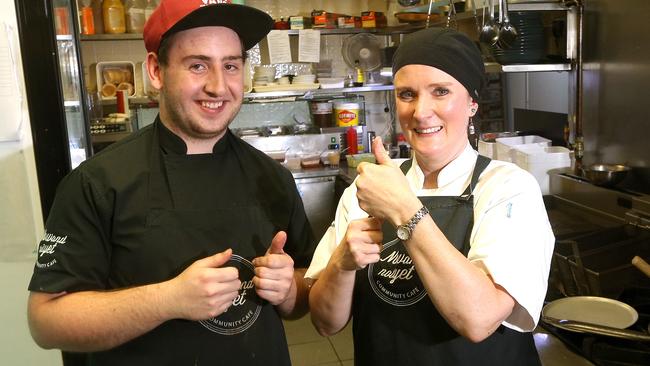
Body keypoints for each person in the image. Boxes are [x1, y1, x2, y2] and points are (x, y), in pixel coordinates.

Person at [27, 1, 315, 365]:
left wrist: (288, 290)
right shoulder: (97, 183)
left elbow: (306, 287)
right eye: (197, 65)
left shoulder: (273, 178)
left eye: (230, 66)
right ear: (156, 71)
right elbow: (46, 321)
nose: (218, 86)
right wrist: (169, 299)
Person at [306, 27, 555, 365]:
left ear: (471, 103)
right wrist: (342, 263)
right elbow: (324, 322)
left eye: (440, 91)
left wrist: (406, 211)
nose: (421, 112)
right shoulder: (366, 191)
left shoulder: (508, 187)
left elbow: (479, 319)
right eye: (407, 94)